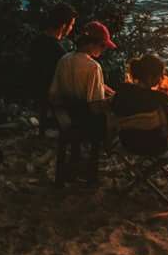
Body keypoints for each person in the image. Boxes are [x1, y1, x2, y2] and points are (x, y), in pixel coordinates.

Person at [49, 21, 117, 181]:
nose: (104, 49)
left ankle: (72, 166)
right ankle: (99, 162)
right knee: (113, 118)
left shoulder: (64, 59)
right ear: (91, 44)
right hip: (86, 122)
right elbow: (95, 106)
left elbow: (53, 93)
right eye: (102, 46)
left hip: (66, 117)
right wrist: (113, 100)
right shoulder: (93, 67)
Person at [112, 54, 168, 156]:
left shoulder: (121, 91)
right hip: (156, 148)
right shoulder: (160, 98)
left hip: (127, 144)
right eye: (160, 75)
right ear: (150, 76)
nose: (161, 79)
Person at [30, 1, 77, 136]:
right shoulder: (58, 51)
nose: (71, 28)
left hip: (35, 89)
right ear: (63, 26)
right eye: (72, 25)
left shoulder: (37, 41)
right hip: (51, 94)